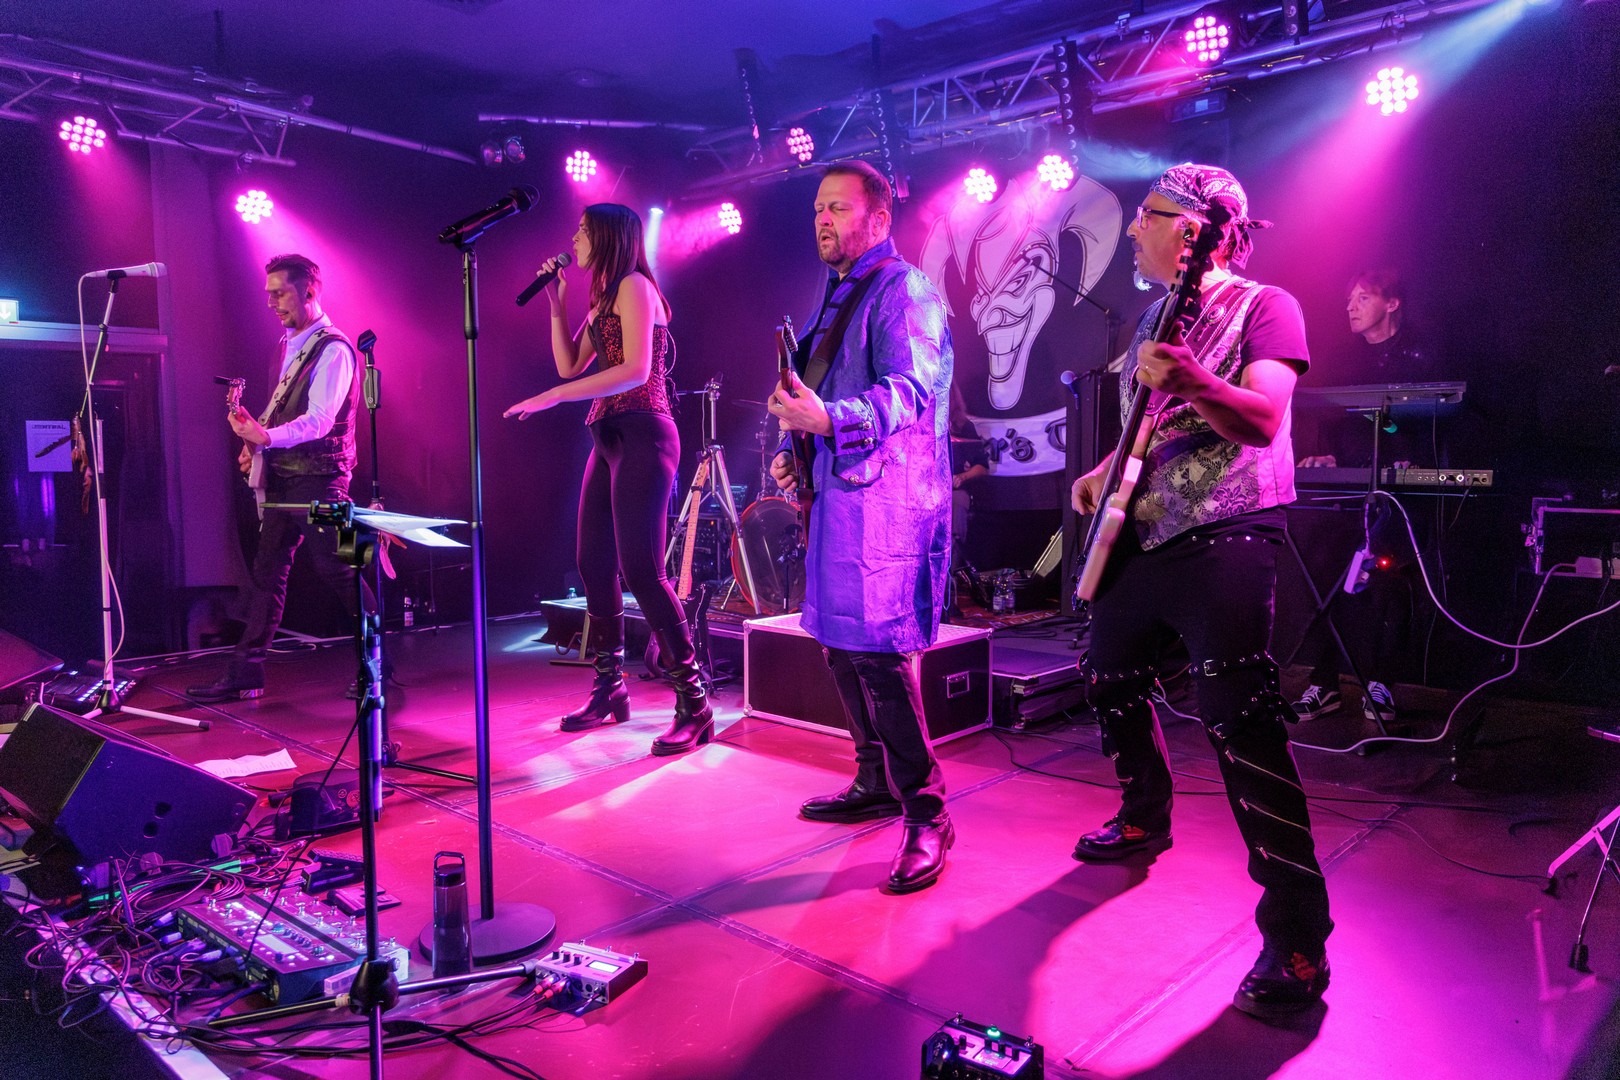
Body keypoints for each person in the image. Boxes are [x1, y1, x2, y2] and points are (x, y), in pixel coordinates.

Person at [1069, 164, 1333, 1018]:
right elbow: (1148, 428)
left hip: (1229, 530)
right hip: (1146, 531)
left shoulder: (1268, 306)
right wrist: (1105, 468)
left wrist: (1193, 381)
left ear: (1191, 230)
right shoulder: (1155, 316)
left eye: (1145, 216)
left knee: (1238, 720)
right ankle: (1145, 812)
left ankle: (1298, 937)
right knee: (1106, 673)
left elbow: (1261, 418)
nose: (1132, 230)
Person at [767, 160, 956, 894]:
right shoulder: (840, 294)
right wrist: (798, 451)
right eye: (818, 208)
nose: (822, 219)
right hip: (840, 498)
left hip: (886, 506)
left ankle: (928, 813)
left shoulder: (904, 289)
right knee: (839, 647)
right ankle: (875, 779)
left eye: (838, 208)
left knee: (877, 655)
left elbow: (910, 388)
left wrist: (829, 422)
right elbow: (817, 395)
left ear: (878, 219)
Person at [503, 203, 711, 756]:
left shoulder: (636, 287)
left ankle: (695, 704)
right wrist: (557, 303)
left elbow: (635, 370)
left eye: (582, 230)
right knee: (593, 563)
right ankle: (609, 687)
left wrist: (553, 398)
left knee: (643, 570)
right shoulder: (603, 296)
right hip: (609, 436)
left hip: (644, 432)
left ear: (608, 236)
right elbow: (570, 365)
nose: (574, 238)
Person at [189, 253, 375, 702]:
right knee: (265, 574)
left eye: (280, 294)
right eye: (268, 294)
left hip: (325, 480)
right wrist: (256, 445)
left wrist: (267, 437)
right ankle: (246, 671)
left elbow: (319, 420)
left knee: (342, 569)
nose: (271, 303)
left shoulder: (335, 349)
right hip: (284, 479)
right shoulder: (285, 346)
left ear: (309, 290)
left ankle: (375, 662)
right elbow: (280, 410)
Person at [1293, 269, 1442, 724]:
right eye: (1349, 298)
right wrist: (1325, 455)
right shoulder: (1345, 360)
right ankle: (1323, 683)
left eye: (1363, 297)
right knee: (1324, 571)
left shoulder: (1420, 357)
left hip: (1399, 488)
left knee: (1386, 577)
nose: (1351, 306)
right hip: (1350, 484)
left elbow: (1428, 419)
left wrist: (1410, 457)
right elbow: (1329, 415)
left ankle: (1381, 683)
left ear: (1391, 303)